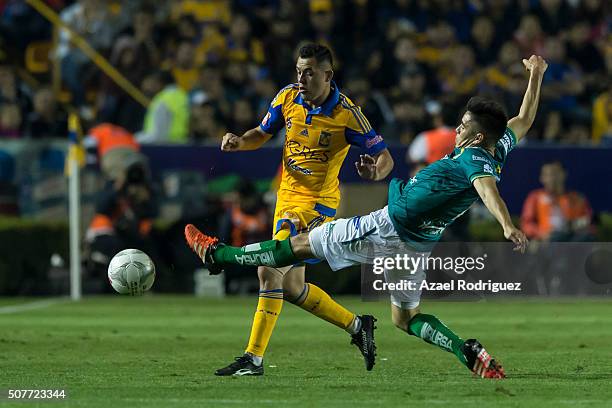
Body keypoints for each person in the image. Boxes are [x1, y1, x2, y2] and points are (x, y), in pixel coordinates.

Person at [185, 55, 547, 379]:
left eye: (464, 126)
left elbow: (487, 189)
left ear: (477, 135)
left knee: (294, 247)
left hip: (387, 228)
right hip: (416, 246)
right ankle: (466, 351)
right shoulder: (497, 146)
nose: (457, 129)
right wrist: (536, 75)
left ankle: (218, 254)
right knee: (404, 319)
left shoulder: (473, 161)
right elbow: (524, 119)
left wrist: (507, 224)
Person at [208, 43, 394, 376]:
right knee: (292, 287)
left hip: (317, 205)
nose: (302, 78)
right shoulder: (286, 98)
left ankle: (253, 358)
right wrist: (239, 142)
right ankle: (357, 326)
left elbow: (385, 158)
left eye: (309, 72)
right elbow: (261, 133)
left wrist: (374, 172)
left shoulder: (347, 114)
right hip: (286, 197)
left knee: (268, 271)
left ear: (327, 75)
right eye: (298, 71)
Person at [521, 161, 594, 242]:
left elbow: (589, 222)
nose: (552, 178)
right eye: (548, 175)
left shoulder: (577, 198)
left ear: (564, 174)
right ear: (541, 178)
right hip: (547, 240)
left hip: (572, 239)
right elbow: (526, 224)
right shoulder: (535, 197)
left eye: (555, 173)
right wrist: (541, 234)